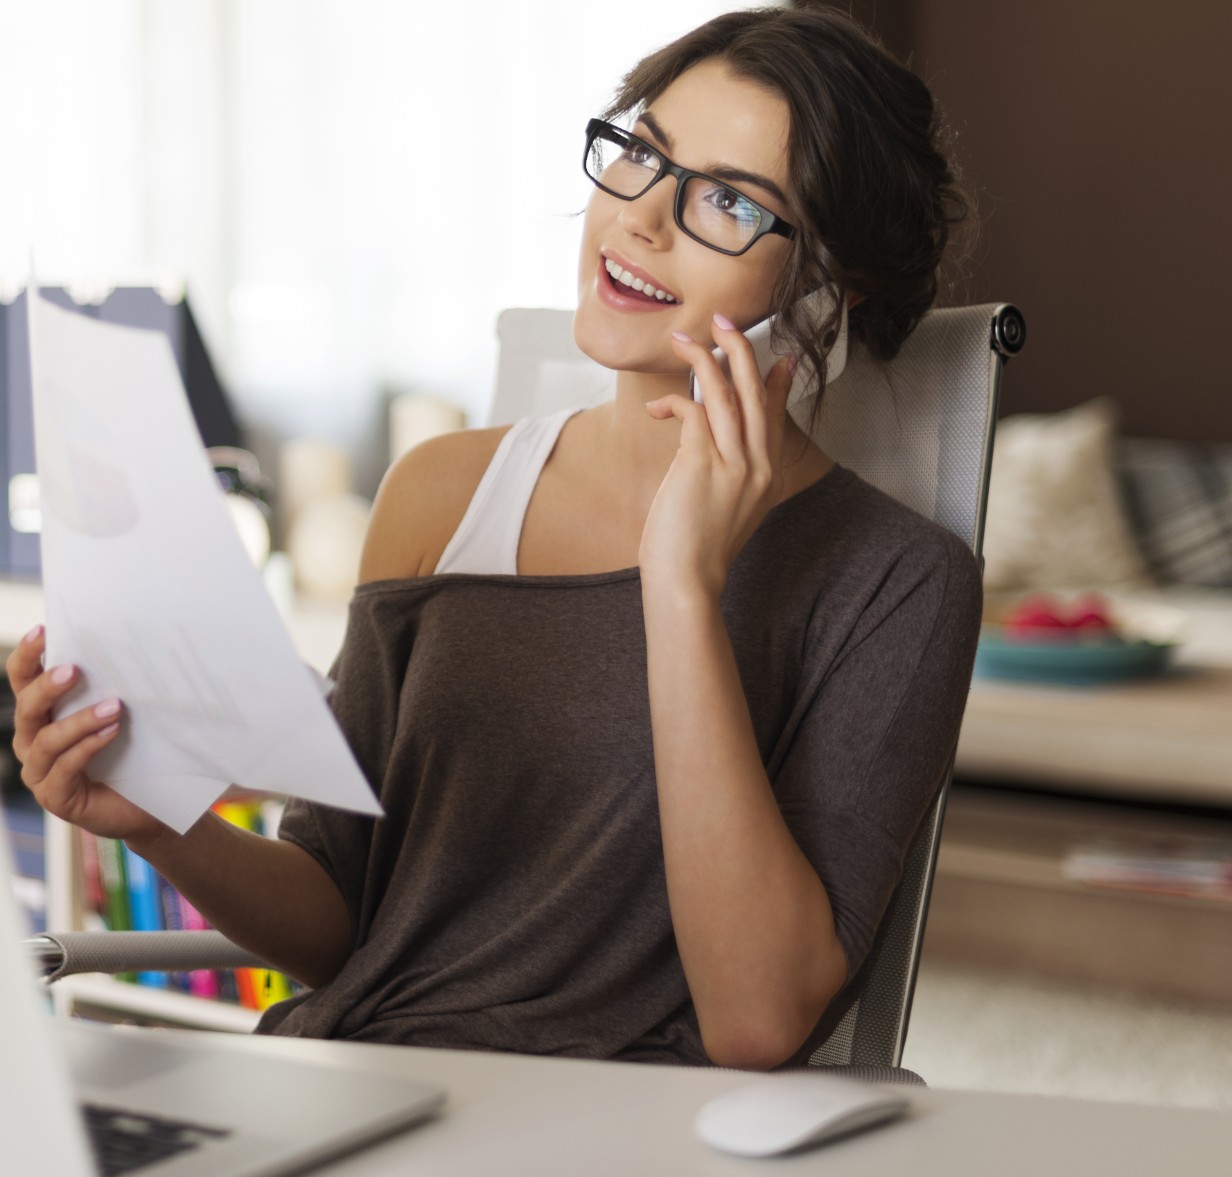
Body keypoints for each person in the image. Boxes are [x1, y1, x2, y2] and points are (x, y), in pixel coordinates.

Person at [7, 6, 982, 1071]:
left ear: (829, 288)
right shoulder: (438, 492)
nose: (641, 220)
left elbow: (754, 1022)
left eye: (727, 201)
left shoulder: (899, 581)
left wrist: (680, 586)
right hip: (358, 1087)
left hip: (615, 1131)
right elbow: (338, 922)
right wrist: (152, 817)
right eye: (642, 154)